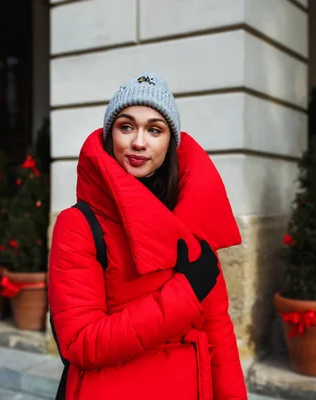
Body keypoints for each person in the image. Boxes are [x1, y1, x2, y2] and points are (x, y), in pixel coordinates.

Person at [47, 72, 247, 399]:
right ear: (110, 136)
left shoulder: (189, 218)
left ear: (170, 144)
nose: (139, 142)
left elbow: (218, 332)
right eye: (126, 126)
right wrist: (184, 294)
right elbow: (79, 342)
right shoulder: (78, 224)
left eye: (155, 130)